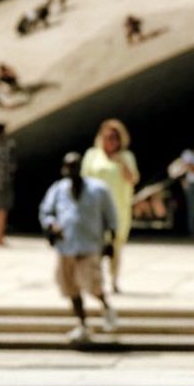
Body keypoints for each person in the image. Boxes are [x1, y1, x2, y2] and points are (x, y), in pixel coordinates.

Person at [38, 151, 118, 343]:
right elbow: (46, 211)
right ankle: (82, 324)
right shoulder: (58, 189)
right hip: (67, 245)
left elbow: (111, 216)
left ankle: (106, 306)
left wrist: (111, 241)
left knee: (92, 283)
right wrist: (51, 225)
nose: (72, 170)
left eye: (75, 166)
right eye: (69, 166)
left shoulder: (98, 189)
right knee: (70, 287)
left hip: (90, 244)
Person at [81, 118, 139, 292]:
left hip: (118, 209)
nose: (112, 141)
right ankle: (95, 280)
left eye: (115, 137)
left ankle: (114, 280)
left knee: (116, 246)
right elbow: (84, 179)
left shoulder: (127, 156)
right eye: (108, 137)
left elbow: (133, 179)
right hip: (95, 209)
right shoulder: (92, 155)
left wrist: (120, 162)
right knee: (95, 246)